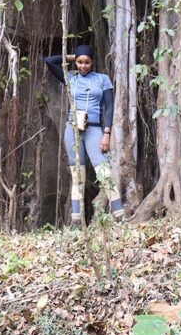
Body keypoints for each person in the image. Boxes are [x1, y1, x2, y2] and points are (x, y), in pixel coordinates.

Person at [43, 43, 125, 225]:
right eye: (79, 62)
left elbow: (109, 107)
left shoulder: (102, 79)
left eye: (86, 62)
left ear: (92, 62)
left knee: (104, 171)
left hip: (94, 128)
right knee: (77, 175)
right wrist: (71, 57)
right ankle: (76, 222)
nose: (82, 66)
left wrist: (107, 133)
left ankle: (120, 216)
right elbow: (49, 61)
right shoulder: (70, 77)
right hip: (73, 129)